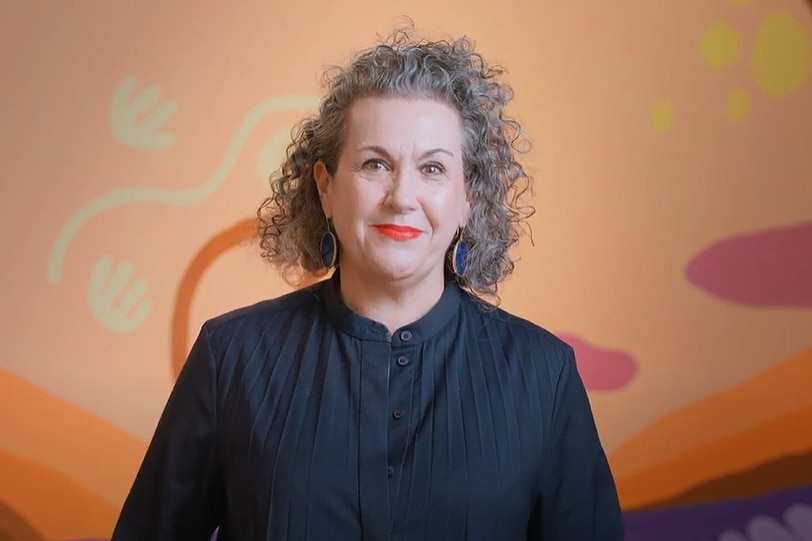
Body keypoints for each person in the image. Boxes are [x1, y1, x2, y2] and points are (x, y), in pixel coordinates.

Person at [111, 26, 625, 541]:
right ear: (326, 187)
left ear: (468, 198)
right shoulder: (231, 359)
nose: (401, 196)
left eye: (432, 168)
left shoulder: (543, 375)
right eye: (375, 164)